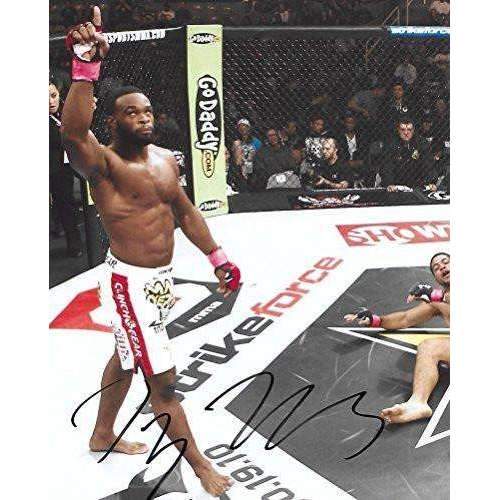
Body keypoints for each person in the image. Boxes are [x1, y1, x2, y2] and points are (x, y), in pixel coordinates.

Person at [61, 9, 239, 497]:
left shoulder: (164, 160)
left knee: (125, 357)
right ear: (112, 120)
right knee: (163, 386)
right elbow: (73, 133)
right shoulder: (102, 164)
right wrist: (85, 68)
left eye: (148, 111)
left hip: (159, 280)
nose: (143, 118)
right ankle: (201, 467)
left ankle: (102, 433)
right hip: (130, 284)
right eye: (132, 112)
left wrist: (217, 257)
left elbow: (183, 210)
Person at [345, 252, 450, 424]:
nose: (442, 267)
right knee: (429, 347)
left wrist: (436, 295)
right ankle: (417, 403)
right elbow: (405, 318)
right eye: (436, 268)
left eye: (446, 262)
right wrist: (376, 320)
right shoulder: (438, 300)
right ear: (436, 278)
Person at [49, 78, 83, 257]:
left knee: (66, 205)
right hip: (53, 167)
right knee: (64, 205)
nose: (50, 101)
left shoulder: (65, 112)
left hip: (64, 167)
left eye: (53, 95)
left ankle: (74, 244)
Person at [381, 117, 435, 192]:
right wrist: (389, 183)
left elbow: (428, 164)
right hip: (396, 183)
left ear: (413, 130)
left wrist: (431, 182)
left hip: (417, 183)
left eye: (409, 130)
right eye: (402, 130)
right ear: (398, 130)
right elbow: (387, 166)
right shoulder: (390, 144)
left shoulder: (422, 143)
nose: (406, 133)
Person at [231, 118, 262, 190]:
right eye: (240, 127)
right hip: (240, 167)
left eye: (245, 126)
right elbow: (236, 160)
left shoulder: (256, 142)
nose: (243, 128)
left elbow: (260, 156)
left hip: (253, 166)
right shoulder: (236, 142)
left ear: (249, 128)